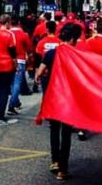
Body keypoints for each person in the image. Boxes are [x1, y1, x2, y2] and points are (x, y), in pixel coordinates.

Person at [35, 22, 83, 180]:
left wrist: (46, 78)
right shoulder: (75, 55)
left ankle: (55, 161)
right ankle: (63, 169)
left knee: (54, 130)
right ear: (73, 39)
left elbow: (38, 74)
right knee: (66, 133)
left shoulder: (51, 53)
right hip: (68, 98)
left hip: (53, 97)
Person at [0, 15, 17, 122]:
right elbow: (13, 52)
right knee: (5, 90)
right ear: (7, 23)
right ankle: (1, 113)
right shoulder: (10, 35)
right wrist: (16, 65)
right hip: (7, 64)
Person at [8, 16, 32, 116]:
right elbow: (29, 48)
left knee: (12, 83)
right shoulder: (24, 34)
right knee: (17, 83)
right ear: (18, 23)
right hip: (20, 60)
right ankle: (11, 105)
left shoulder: (7, 33)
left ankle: (16, 101)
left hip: (8, 60)